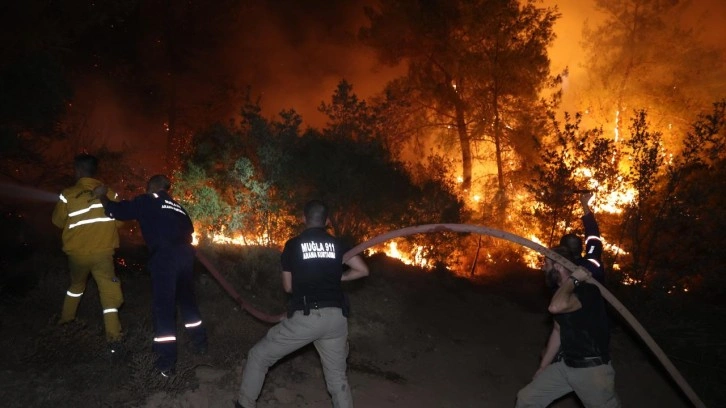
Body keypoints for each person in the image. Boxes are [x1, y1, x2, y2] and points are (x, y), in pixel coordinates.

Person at [235, 200, 369, 408]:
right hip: (336, 318)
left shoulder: (293, 245)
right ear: (326, 221)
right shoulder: (338, 244)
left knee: (259, 357)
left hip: (309, 317)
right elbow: (362, 270)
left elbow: (288, 287)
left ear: (303, 218)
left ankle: (244, 404)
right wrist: (337, 277)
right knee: (337, 379)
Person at [93, 174, 207, 377]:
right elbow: (189, 231)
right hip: (186, 258)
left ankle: (165, 364)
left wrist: (103, 197)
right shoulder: (178, 207)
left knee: (163, 308)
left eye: (147, 187)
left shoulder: (147, 200)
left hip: (165, 258)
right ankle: (200, 344)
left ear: (153, 186)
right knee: (188, 302)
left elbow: (117, 211)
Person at [515, 246, 619, 408]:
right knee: (527, 399)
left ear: (558, 266)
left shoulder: (587, 290)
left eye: (546, 264)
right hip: (566, 366)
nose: (543, 267)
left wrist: (574, 279)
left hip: (592, 371)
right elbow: (558, 331)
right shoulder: (561, 293)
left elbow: (556, 307)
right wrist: (543, 367)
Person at [52, 153, 124, 352]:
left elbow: (57, 222)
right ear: (94, 171)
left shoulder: (67, 194)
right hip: (103, 254)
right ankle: (114, 340)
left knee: (75, 287)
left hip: (77, 255)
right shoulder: (109, 193)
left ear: (79, 171)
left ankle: (65, 324)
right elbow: (119, 221)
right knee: (109, 297)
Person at [559, 192, 605, 284]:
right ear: (581, 248)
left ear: (562, 250)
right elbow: (593, 237)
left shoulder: (558, 270)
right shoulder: (591, 265)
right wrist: (584, 204)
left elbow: (593, 238)